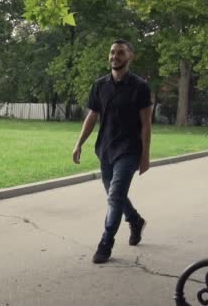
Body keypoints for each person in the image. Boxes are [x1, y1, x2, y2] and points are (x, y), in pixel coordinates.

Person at [72, 39, 153, 264]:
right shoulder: (100, 85)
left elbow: (146, 124)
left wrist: (145, 156)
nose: (114, 56)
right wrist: (79, 143)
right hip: (105, 148)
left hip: (129, 150)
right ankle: (135, 220)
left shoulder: (140, 87)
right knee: (114, 196)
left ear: (130, 57)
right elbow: (92, 116)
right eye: (112, 52)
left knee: (115, 196)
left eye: (120, 53)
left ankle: (106, 243)